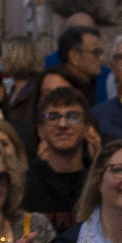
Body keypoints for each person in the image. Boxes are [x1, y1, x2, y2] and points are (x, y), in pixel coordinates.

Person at [24, 85, 93, 232]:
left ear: (87, 129)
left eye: (73, 117)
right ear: (40, 130)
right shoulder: (24, 184)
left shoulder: (100, 180)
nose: (63, 124)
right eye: (53, 117)